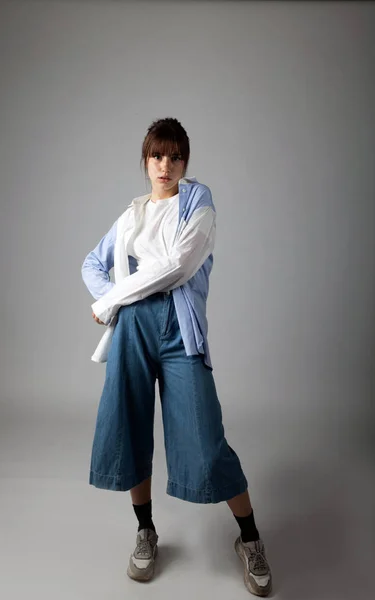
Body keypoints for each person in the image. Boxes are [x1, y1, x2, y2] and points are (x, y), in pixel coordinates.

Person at [81, 117, 272, 596]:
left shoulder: (197, 201)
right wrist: (115, 300)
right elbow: (91, 262)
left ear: (185, 161)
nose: (165, 165)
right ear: (145, 161)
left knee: (206, 441)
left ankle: (248, 536)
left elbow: (176, 267)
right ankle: (145, 530)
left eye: (175, 156)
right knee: (128, 425)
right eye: (156, 156)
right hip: (133, 330)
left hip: (178, 330)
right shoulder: (132, 215)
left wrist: (108, 301)